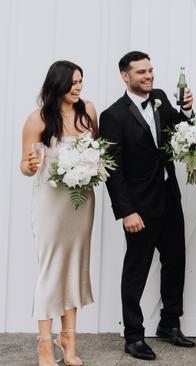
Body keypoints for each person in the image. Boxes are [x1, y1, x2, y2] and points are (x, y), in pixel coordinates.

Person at [99, 51, 196, 361]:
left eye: (151, 70)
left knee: (175, 262)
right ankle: (133, 335)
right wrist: (126, 211)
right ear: (125, 76)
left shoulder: (158, 98)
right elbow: (112, 168)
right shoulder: (113, 115)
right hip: (139, 206)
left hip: (169, 197)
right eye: (141, 72)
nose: (149, 76)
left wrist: (187, 110)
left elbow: (179, 130)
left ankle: (170, 323)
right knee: (136, 269)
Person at [21, 60, 97, 366]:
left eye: (81, 81)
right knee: (50, 270)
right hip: (50, 204)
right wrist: (29, 165)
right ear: (58, 84)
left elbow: (97, 152)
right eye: (73, 82)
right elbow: (25, 168)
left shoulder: (89, 111)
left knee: (75, 267)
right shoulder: (37, 119)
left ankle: (69, 337)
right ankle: (44, 345)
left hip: (81, 202)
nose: (78, 87)